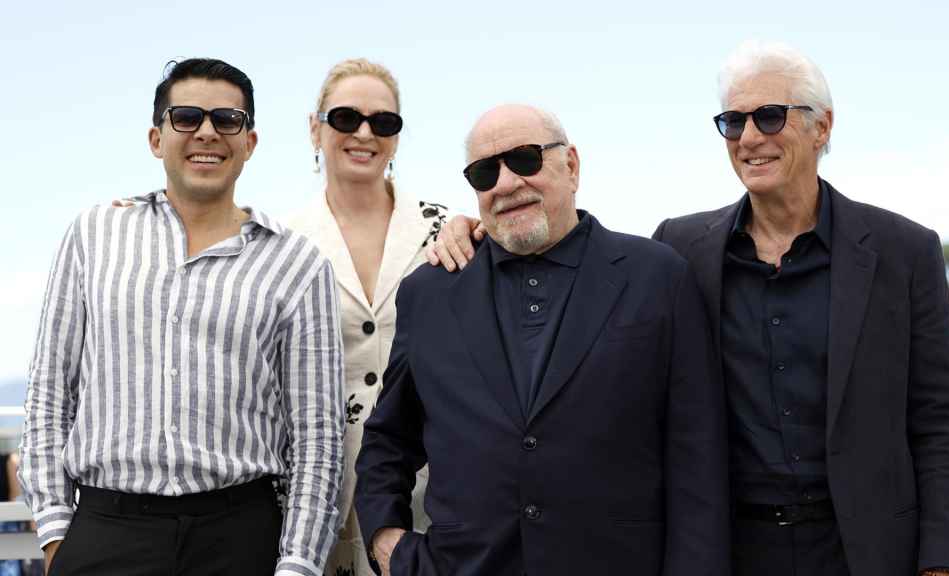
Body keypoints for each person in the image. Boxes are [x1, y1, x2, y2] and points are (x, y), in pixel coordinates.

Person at [428, 41, 949, 576]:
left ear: (822, 127)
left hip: (870, 550)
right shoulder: (679, 248)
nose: (749, 137)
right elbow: (582, 261)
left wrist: (944, 564)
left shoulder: (904, 251)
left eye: (769, 116)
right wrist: (479, 233)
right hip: (733, 550)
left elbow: (937, 422)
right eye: (733, 122)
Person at [354, 104, 729, 576]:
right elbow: (389, 438)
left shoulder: (658, 278)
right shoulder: (429, 293)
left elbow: (698, 459)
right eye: (485, 172)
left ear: (571, 165)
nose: (507, 183)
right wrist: (387, 543)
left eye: (526, 159)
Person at [18, 58, 345, 576]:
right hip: (106, 532)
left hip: (240, 537)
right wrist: (57, 533)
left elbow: (317, 437)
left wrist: (298, 564)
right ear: (156, 137)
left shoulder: (298, 265)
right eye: (187, 117)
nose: (207, 132)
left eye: (227, 120)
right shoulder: (93, 235)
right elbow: (50, 393)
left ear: (250, 143)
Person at [285, 58, 443, 576]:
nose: (365, 133)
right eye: (346, 118)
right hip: (315, 490)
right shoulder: (281, 244)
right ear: (316, 127)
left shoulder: (444, 228)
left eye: (384, 121)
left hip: (429, 482)